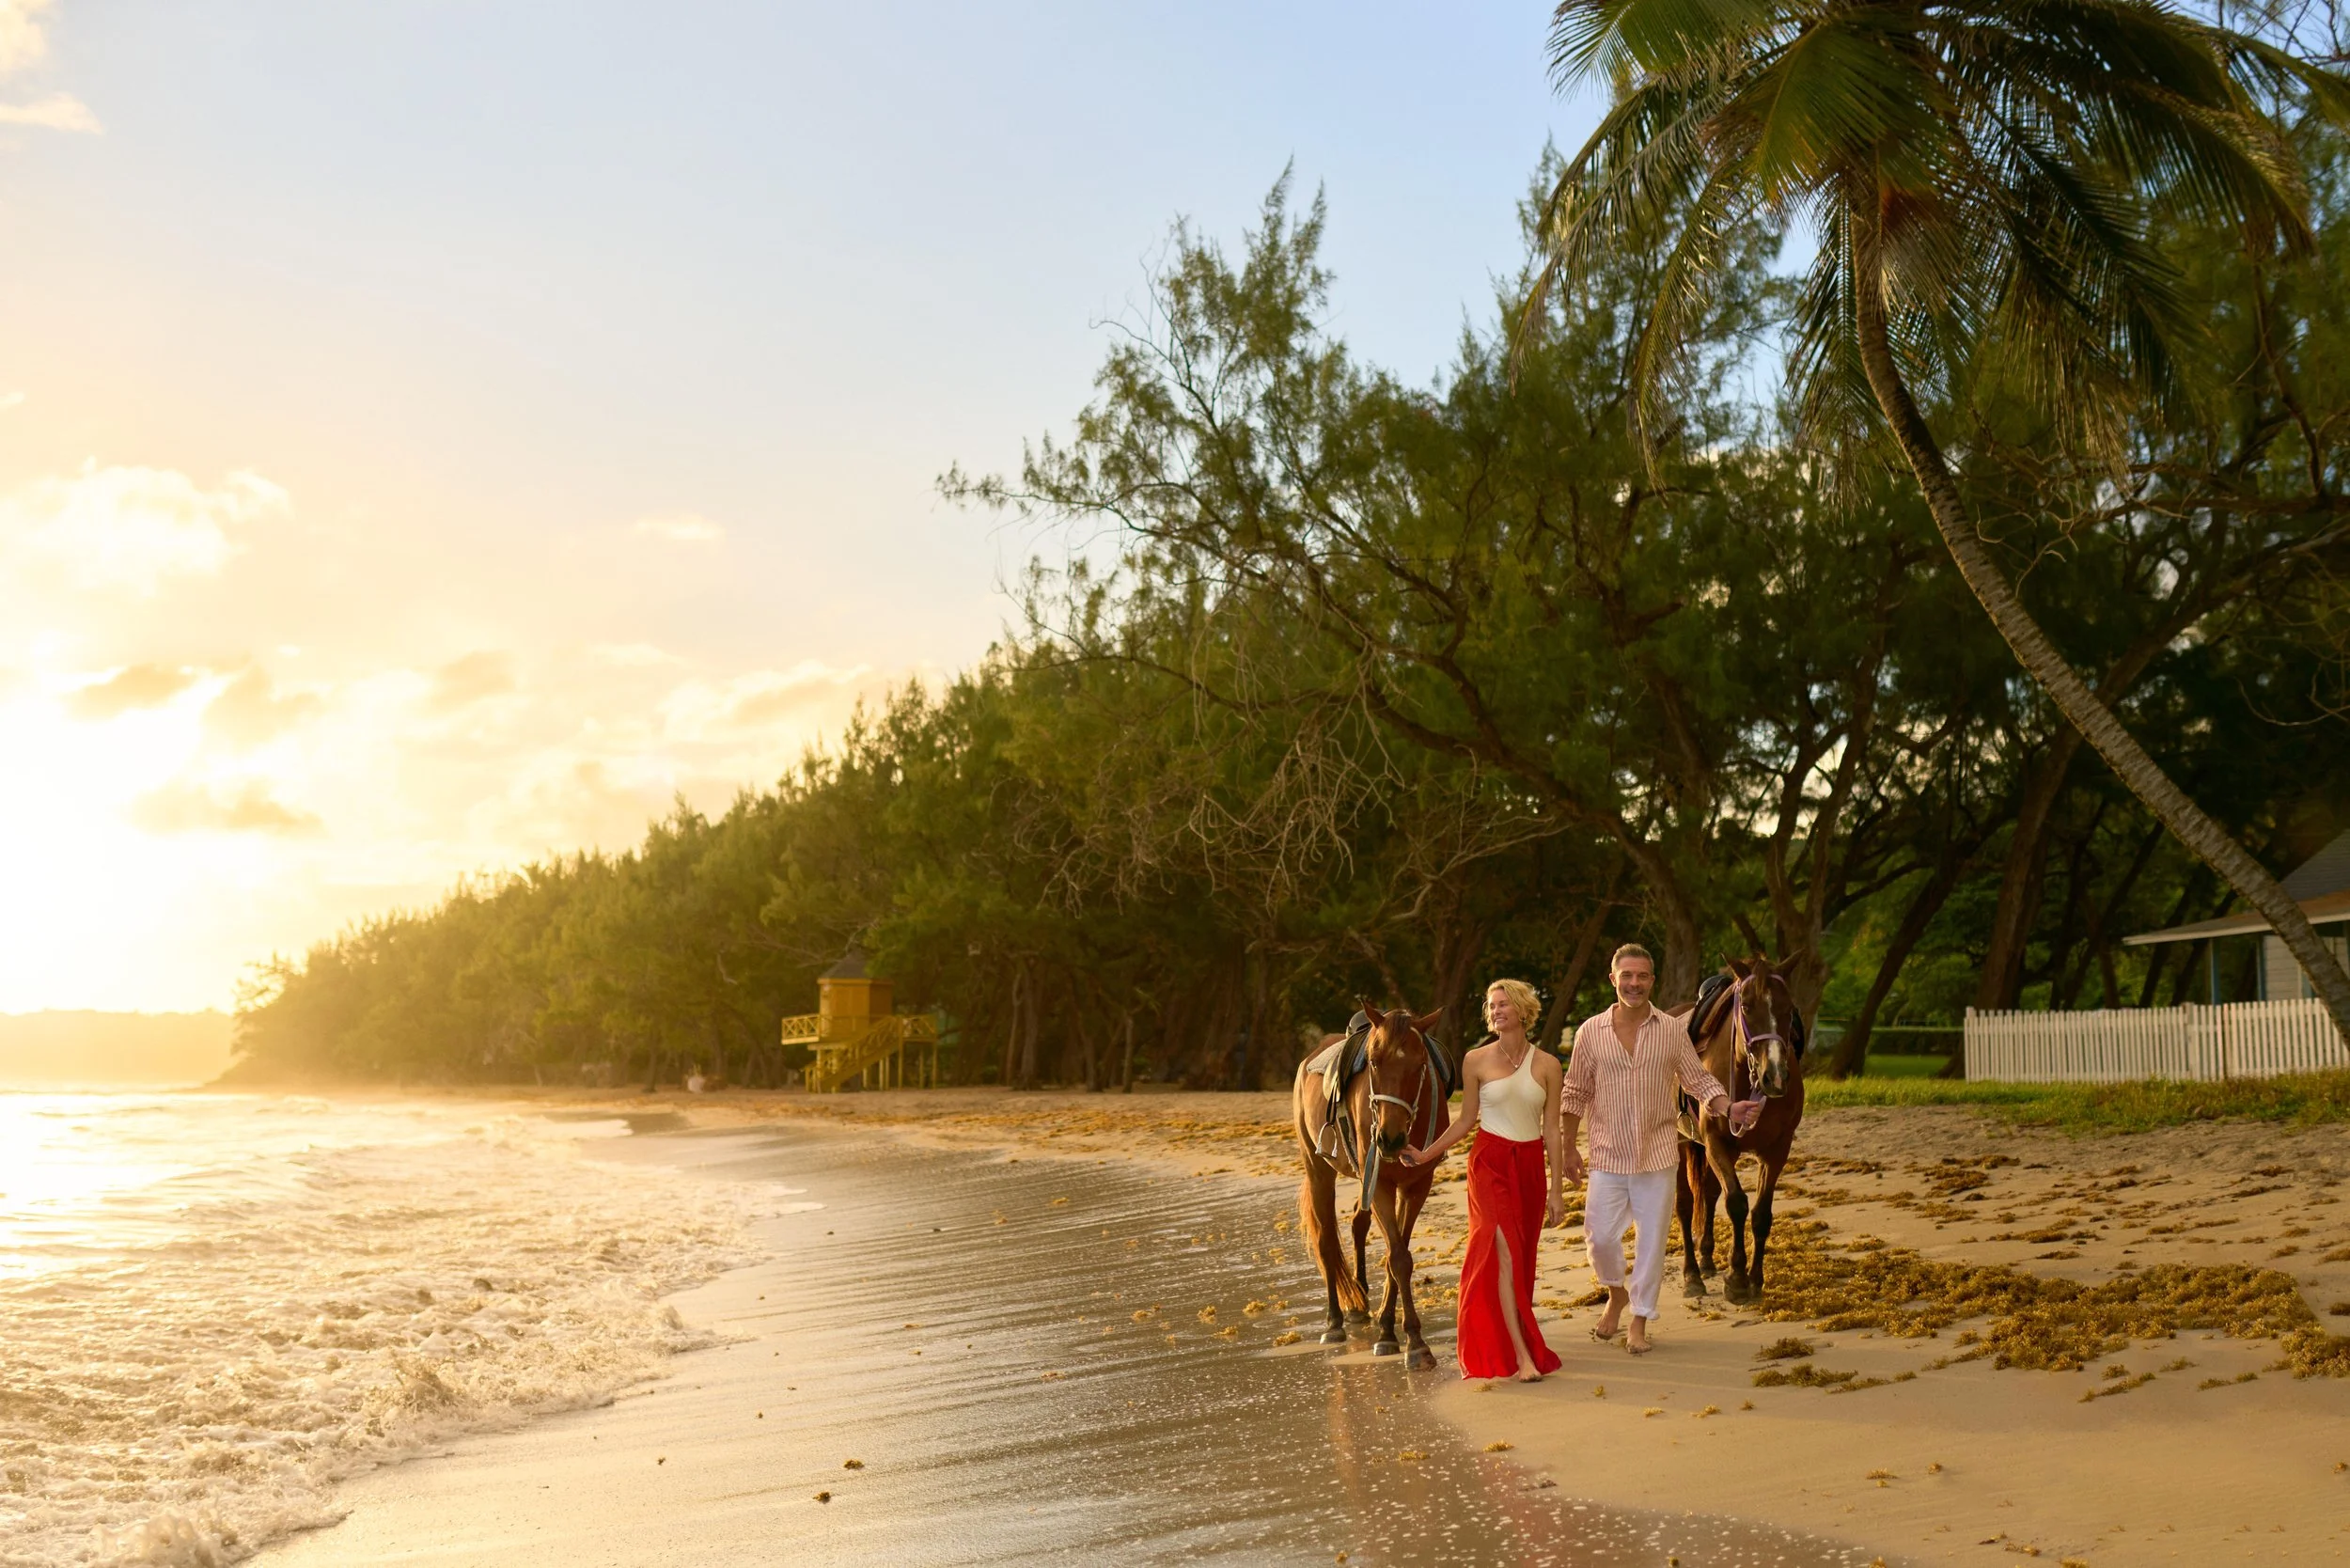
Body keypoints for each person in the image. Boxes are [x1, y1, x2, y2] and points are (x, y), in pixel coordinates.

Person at [1561, 944, 1761, 1355]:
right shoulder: (1589, 1033)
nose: (1635, 984)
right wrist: (1567, 1148)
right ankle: (1616, 1294)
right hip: (1607, 1156)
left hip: (1657, 1158)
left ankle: (1639, 1320)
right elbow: (1575, 1093)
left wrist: (1729, 1106)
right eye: (1627, 976)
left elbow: (1697, 1081)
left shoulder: (1671, 1030)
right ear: (1613, 979)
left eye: (1643, 976)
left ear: (1652, 981)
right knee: (1599, 1240)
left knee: (1651, 1245)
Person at [1396, 979, 1564, 1382]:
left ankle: (1509, 1341)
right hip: (1488, 1163)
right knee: (1501, 1248)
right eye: (1491, 1006)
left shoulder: (1548, 1065)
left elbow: (1553, 1131)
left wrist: (1557, 1188)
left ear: (1523, 1009)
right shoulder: (1474, 1060)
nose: (1495, 1011)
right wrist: (1425, 1154)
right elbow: (1466, 1121)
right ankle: (1523, 1357)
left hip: (1527, 1168)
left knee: (1520, 1261)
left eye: (1503, 1004)